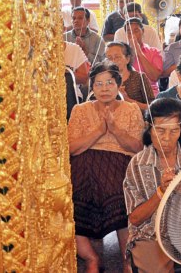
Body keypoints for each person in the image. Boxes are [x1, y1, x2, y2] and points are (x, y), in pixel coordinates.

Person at [68, 61, 145, 273]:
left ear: (119, 85)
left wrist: (115, 129)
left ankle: (127, 259)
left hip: (118, 163)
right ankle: (91, 258)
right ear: (92, 87)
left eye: (109, 83)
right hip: (84, 164)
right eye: (99, 84)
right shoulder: (80, 110)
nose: (104, 88)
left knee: (119, 195)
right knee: (71, 200)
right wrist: (99, 131)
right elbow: (72, 148)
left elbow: (138, 147)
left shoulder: (131, 109)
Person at [124, 98, 181, 273]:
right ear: (149, 128)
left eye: (174, 130)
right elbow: (135, 219)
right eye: (160, 130)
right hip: (151, 234)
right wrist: (161, 192)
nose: (167, 138)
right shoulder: (137, 164)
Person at [105, 42, 155, 111]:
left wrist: (126, 99)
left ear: (127, 59)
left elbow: (152, 108)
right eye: (109, 58)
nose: (113, 61)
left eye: (117, 57)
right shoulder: (102, 80)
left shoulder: (139, 78)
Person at [123, 18, 163, 95]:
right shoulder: (122, 53)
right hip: (126, 92)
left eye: (136, 31)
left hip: (151, 92)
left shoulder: (154, 52)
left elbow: (154, 77)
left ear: (142, 31)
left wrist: (139, 52)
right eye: (129, 32)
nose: (132, 35)